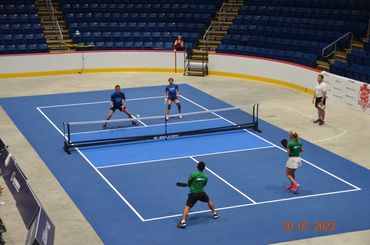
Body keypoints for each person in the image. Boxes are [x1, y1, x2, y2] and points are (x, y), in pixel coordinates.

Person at [177, 161, 218, 229]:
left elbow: (189, 182)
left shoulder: (193, 174)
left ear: (197, 167)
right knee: (209, 200)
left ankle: (183, 222)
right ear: (204, 168)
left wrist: (191, 185)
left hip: (193, 194)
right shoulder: (205, 176)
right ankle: (215, 214)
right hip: (201, 193)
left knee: (187, 207)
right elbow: (203, 184)